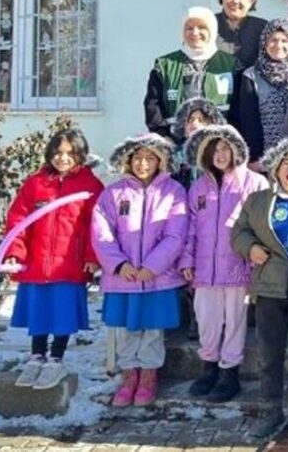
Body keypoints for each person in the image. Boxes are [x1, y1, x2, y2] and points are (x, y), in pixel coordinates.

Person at [230, 139, 288, 437]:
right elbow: (238, 231)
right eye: (285, 163)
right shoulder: (258, 201)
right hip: (270, 288)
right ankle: (269, 408)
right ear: (275, 169)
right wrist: (251, 248)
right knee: (269, 353)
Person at [92, 133, 188, 408]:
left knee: (153, 329)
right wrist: (119, 264)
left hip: (157, 277)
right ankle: (129, 374)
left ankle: (148, 374)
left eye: (150, 158)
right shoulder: (113, 193)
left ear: (160, 161)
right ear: (128, 160)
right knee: (128, 328)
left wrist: (152, 266)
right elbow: (102, 233)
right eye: (137, 158)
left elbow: (175, 235)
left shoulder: (173, 192)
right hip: (123, 276)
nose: (143, 164)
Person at [4, 128, 103, 390]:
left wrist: (93, 257)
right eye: (58, 152)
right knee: (39, 312)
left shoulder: (91, 186)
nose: (63, 158)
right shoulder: (35, 184)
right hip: (36, 263)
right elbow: (18, 220)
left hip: (69, 264)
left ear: (81, 154)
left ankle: (56, 359)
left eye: (70, 153)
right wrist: (15, 252)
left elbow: (98, 226)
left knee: (62, 313)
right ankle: (36, 356)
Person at [179, 125, 269, 403]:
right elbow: (189, 227)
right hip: (205, 270)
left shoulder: (254, 183)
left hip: (237, 267)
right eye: (214, 149)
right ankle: (209, 369)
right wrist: (187, 259)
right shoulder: (199, 187)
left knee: (234, 322)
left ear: (236, 150)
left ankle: (229, 373)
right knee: (207, 320)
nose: (220, 154)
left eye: (225, 149)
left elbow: (261, 226)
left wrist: (255, 262)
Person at [231, 19, 288, 165]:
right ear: (264, 43)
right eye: (273, 40)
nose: (279, 45)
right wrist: (255, 158)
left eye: (285, 41)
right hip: (266, 158)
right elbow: (249, 121)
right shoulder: (252, 75)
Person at [144, 7, 236, 140]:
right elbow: (153, 105)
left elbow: (240, 108)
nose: (195, 32)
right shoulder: (164, 65)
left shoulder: (231, 65)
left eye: (202, 27)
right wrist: (163, 135)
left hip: (220, 145)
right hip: (176, 143)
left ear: (212, 30)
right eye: (189, 28)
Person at [170, 97, 228, 188]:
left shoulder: (219, 152)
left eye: (201, 120)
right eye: (190, 120)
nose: (194, 123)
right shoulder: (175, 155)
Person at [215, 0, 268, 70]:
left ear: (251, 1)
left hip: (250, 82)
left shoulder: (263, 27)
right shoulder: (208, 24)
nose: (235, 1)